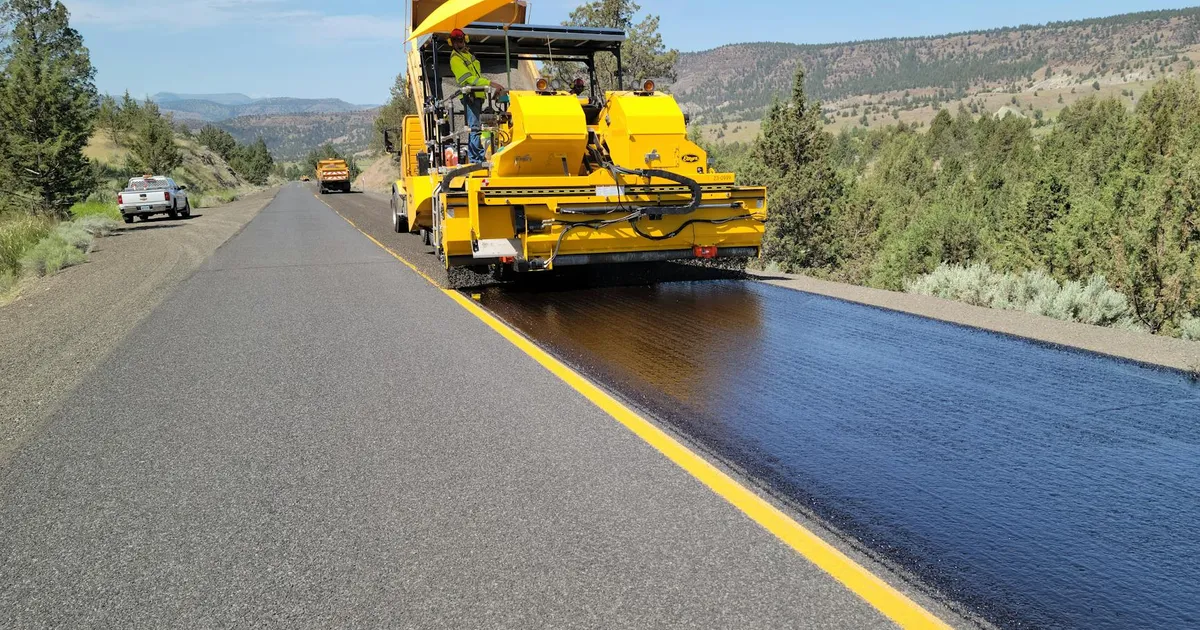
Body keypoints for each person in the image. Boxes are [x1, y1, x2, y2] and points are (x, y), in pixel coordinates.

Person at [448, 28, 505, 164]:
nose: (459, 43)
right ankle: (477, 159)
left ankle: (476, 157)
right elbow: (469, 79)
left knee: (477, 127)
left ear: (464, 39)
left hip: (477, 95)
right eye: (456, 41)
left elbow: (475, 75)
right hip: (470, 96)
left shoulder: (467, 55)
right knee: (475, 127)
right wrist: (490, 83)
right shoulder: (456, 58)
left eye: (461, 40)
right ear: (452, 43)